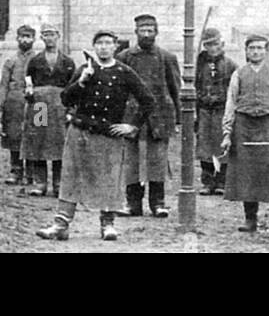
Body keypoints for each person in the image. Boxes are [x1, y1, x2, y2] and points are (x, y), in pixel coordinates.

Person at [36, 30, 156, 242]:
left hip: (108, 135)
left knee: (109, 179)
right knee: (70, 177)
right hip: (80, 132)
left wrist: (132, 126)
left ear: (115, 47)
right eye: (99, 43)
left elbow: (148, 100)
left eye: (108, 43)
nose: (103, 47)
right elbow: (65, 98)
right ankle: (60, 225)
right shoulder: (85, 69)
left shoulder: (124, 72)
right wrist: (81, 81)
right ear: (94, 46)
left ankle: (107, 224)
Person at [221, 34, 269, 232]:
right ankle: (250, 219)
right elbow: (231, 103)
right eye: (252, 48)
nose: (256, 52)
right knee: (246, 173)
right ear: (246, 51)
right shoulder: (239, 74)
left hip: (268, 125)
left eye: (260, 48)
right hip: (243, 126)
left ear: (266, 51)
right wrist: (227, 133)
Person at [116, 13, 181, 218]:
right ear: (136, 32)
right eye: (142, 31)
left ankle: (158, 203)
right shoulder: (124, 57)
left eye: (150, 31)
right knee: (131, 161)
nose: (146, 34)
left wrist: (178, 119)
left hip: (159, 117)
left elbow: (175, 90)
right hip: (131, 116)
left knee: (157, 161)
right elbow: (118, 91)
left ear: (156, 32)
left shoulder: (167, 58)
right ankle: (132, 203)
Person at [22, 23, 76, 197]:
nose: (49, 38)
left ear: (58, 36)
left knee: (60, 142)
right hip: (40, 106)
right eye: (46, 35)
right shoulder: (36, 61)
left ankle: (59, 184)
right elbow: (28, 80)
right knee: (39, 140)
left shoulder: (67, 61)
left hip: (60, 105)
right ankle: (40, 183)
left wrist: (71, 110)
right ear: (42, 38)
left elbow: (74, 87)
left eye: (52, 34)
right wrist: (29, 91)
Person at [195, 27, 237, 195]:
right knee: (204, 145)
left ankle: (222, 181)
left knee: (222, 144)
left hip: (222, 110)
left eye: (215, 44)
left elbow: (235, 89)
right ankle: (207, 181)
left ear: (222, 44)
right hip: (204, 111)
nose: (212, 48)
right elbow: (193, 85)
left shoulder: (231, 65)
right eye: (208, 45)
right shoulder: (199, 65)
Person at [0, 25, 36, 186]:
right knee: (14, 136)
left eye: (29, 37)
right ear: (17, 38)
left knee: (36, 134)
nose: (26, 40)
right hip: (14, 103)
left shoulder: (39, 60)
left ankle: (33, 173)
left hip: (37, 104)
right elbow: (3, 85)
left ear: (34, 39)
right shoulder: (11, 61)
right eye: (23, 36)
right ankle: (16, 171)